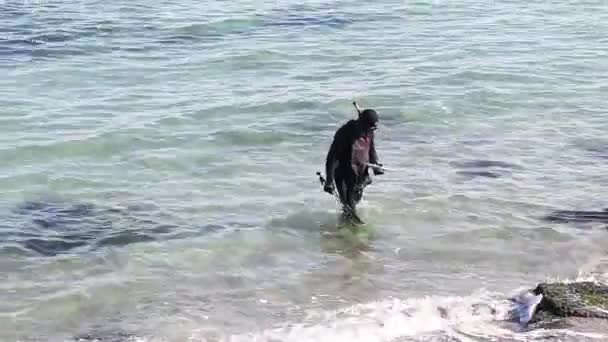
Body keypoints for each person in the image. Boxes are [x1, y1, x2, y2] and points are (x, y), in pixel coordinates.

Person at [323, 106, 383, 224]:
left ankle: (349, 223)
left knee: (354, 201)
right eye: (371, 126)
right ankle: (350, 231)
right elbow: (332, 157)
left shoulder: (369, 131)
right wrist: (329, 180)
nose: (373, 129)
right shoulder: (345, 133)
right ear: (362, 123)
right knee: (347, 205)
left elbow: (371, 150)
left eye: (374, 127)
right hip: (343, 172)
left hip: (361, 173)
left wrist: (376, 165)